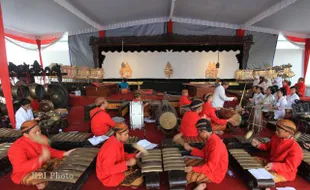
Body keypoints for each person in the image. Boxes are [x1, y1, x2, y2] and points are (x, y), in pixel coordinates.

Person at [8, 120, 75, 189]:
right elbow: (21, 167)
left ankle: (47, 178)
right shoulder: (16, 148)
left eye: (39, 130)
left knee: (66, 160)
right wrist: (41, 159)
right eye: (35, 132)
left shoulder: (42, 137)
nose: (38, 133)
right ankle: (43, 182)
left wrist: (65, 153)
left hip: (44, 164)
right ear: (26, 135)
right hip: (25, 172)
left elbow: (50, 151)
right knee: (42, 177)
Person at [183, 119, 228, 190]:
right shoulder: (210, 138)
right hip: (208, 162)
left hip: (215, 172)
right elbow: (204, 153)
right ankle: (201, 184)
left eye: (199, 132)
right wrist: (190, 148)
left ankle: (200, 183)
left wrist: (193, 168)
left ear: (204, 132)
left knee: (188, 176)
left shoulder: (216, 145)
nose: (198, 134)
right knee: (185, 160)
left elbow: (210, 167)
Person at [96, 122, 143, 187]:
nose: (128, 136)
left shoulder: (117, 141)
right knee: (139, 180)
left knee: (137, 165)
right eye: (125, 134)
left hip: (114, 169)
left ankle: (127, 175)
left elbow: (121, 156)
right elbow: (107, 170)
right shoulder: (110, 149)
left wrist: (135, 155)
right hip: (108, 177)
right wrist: (127, 163)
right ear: (118, 134)